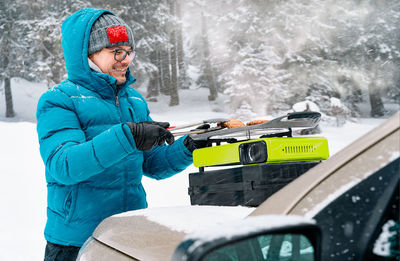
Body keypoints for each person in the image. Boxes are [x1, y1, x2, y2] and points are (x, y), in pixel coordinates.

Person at [36, 8, 203, 261]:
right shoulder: (59, 100)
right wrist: (127, 136)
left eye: (128, 52)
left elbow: (153, 164)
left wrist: (188, 147)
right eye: (116, 52)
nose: (125, 60)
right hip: (76, 243)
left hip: (127, 236)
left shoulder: (134, 101)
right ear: (87, 55)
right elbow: (64, 165)